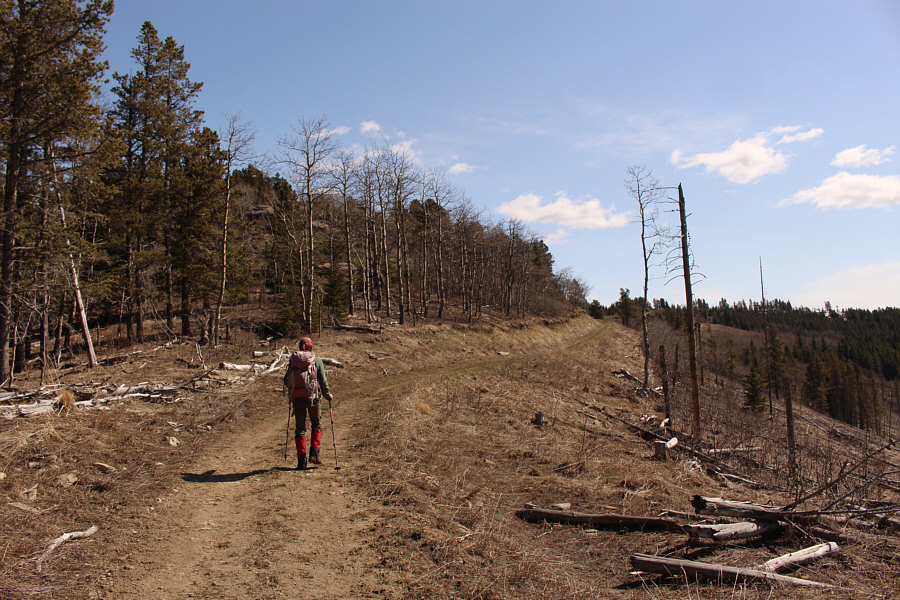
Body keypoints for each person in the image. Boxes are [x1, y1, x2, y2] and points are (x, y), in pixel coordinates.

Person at [287, 337, 333, 469]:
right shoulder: (316, 361)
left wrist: (292, 393)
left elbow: (287, 380)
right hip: (313, 398)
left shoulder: (293, 361)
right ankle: (314, 454)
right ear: (310, 347)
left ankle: (301, 461)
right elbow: (322, 381)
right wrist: (327, 395)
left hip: (297, 398)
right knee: (316, 424)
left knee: (300, 428)